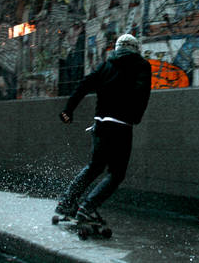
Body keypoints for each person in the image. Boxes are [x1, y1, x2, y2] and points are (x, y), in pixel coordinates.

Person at [55, 34, 152, 222]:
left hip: (100, 124)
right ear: (135, 48)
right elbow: (142, 94)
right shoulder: (141, 65)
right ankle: (87, 207)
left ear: (116, 48)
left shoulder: (105, 65)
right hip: (120, 127)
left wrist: (69, 110)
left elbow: (83, 86)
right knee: (116, 174)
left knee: (94, 167)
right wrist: (135, 117)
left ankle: (67, 201)